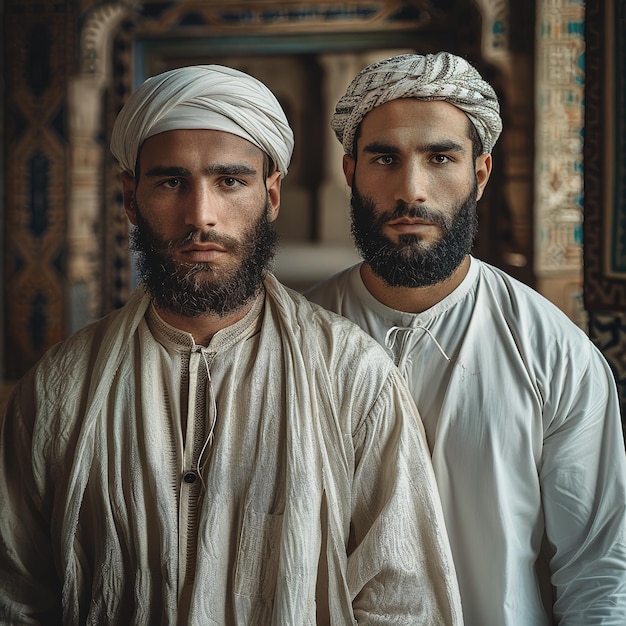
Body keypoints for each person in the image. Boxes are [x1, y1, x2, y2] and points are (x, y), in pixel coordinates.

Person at [0, 65, 463, 624]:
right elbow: (19, 595)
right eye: (171, 182)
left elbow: (404, 601)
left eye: (230, 181)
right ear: (130, 196)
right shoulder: (60, 388)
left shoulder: (351, 375)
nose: (201, 216)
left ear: (270, 195)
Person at [307, 52, 626, 625]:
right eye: (386, 158)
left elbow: (599, 568)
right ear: (351, 171)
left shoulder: (554, 353)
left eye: (439, 157)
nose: (412, 190)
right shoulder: (297, 340)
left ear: (479, 174)